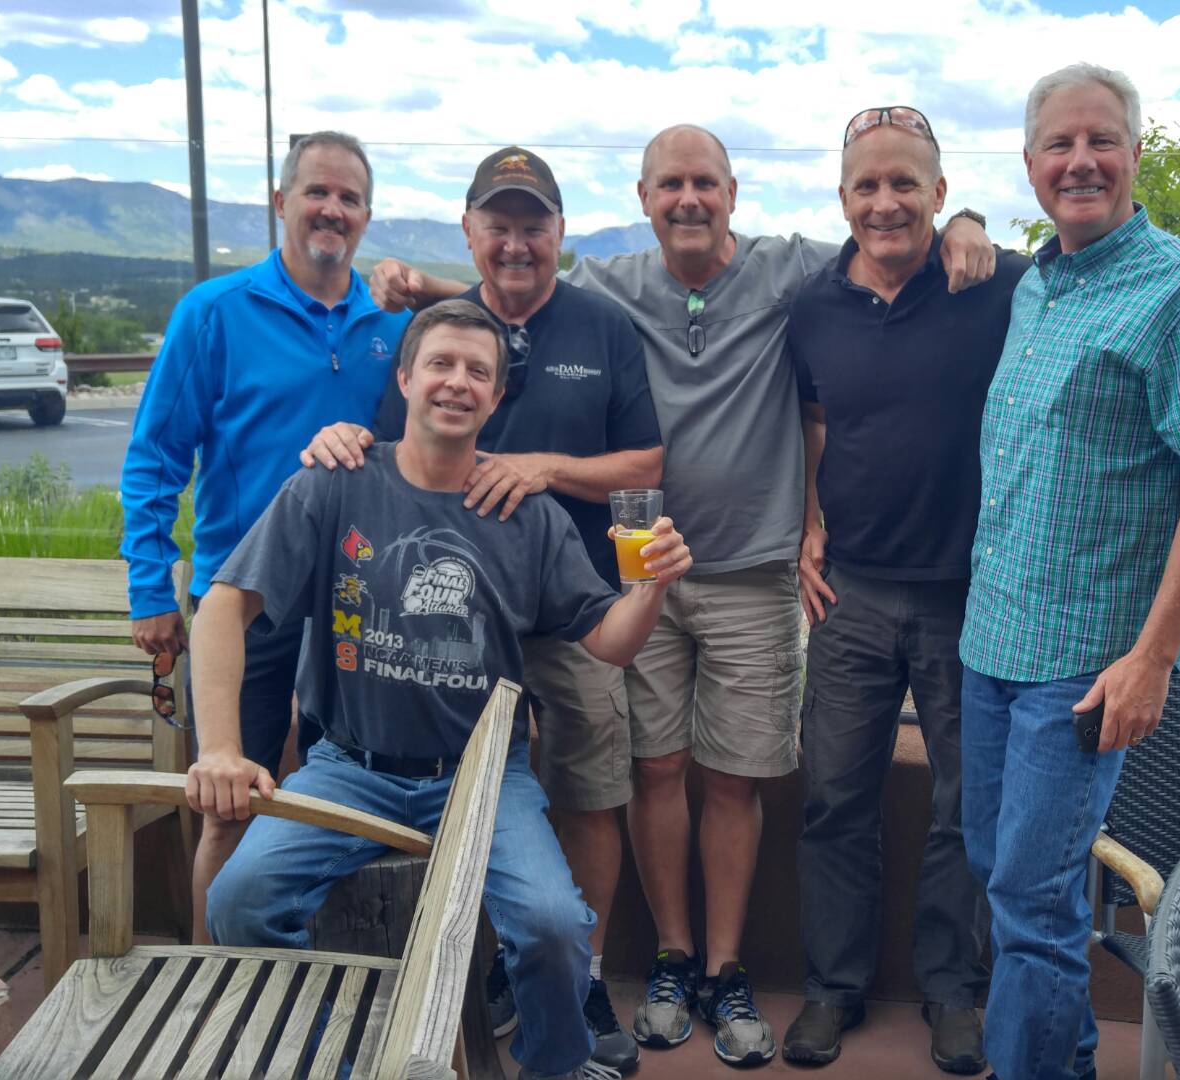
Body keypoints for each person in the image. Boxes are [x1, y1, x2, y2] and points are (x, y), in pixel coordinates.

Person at [367, 124, 998, 1069]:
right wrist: (419, 285)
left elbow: (889, 236)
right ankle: (669, 958)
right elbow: (516, 279)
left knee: (735, 780)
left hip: (754, 572)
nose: (689, 199)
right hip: (641, 577)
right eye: (670, 185)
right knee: (655, 771)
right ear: (644, 198)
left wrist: (969, 223)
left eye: (706, 182)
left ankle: (726, 966)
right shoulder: (612, 283)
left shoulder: (790, 270)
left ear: (735, 193)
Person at [786, 106, 1180, 1075]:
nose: (886, 202)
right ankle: (834, 987)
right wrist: (806, 520)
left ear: (941, 193)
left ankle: (954, 992)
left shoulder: (997, 279)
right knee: (836, 800)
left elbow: (1152, 310)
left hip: (974, 603)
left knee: (975, 829)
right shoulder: (817, 302)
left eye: (906, 184)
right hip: (861, 597)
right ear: (842, 198)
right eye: (868, 185)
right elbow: (816, 419)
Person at [191, 299, 690, 1080]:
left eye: (478, 372)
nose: (458, 382)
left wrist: (651, 586)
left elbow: (611, 641)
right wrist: (220, 747)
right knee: (240, 902)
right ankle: (337, 1059)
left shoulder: (526, 512)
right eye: (441, 364)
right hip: (348, 769)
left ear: (496, 397)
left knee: (555, 928)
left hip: (483, 777)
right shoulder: (334, 484)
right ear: (405, 379)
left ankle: (555, 1066)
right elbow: (223, 608)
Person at [300, 145, 661, 1073]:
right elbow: (386, 447)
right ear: (471, 232)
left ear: (559, 233)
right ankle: (501, 973)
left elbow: (647, 465)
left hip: (573, 595)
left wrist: (544, 470)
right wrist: (339, 438)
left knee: (587, 793)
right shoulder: (443, 329)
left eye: (533, 226)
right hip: (451, 608)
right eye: (498, 225)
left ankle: (576, 978)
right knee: (487, 791)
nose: (516, 243)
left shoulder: (603, 326)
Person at [959, 63, 1180, 1080]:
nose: (1081, 161)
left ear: (1137, 154)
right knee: (1001, 874)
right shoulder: (1036, 283)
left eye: (1102, 140)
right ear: (1030, 164)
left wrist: (1153, 660)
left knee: (1031, 900)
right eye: (1060, 144)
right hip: (991, 642)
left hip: (1084, 664)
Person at [119, 132, 459, 943]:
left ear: (367, 216)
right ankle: (212, 985)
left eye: (349, 198)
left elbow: (503, 324)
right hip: (247, 604)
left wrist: (426, 286)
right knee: (229, 807)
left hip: (361, 608)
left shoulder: (393, 327)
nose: (332, 210)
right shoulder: (214, 312)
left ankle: (320, 977)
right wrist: (150, 587)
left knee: (332, 813)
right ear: (280, 202)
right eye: (317, 192)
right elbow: (155, 457)